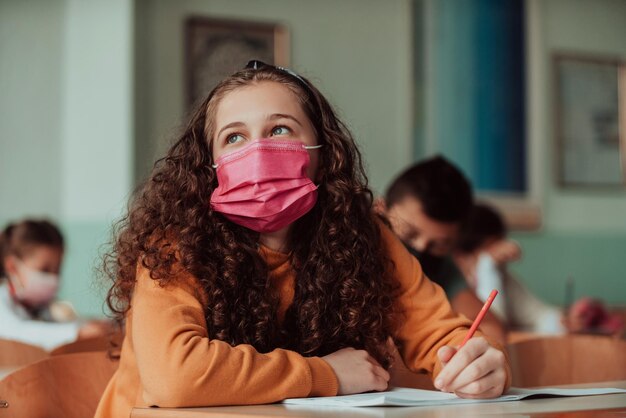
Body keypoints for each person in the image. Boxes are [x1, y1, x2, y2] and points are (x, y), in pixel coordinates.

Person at [95, 61, 510, 417]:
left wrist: (481, 363)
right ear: (210, 166)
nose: (257, 151)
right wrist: (326, 375)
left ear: (324, 153)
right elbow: (175, 378)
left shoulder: (365, 235)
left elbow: (442, 335)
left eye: (279, 129)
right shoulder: (174, 247)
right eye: (234, 137)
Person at [379, 156, 507, 344]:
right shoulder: (350, 251)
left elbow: (489, 326)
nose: (420, 248)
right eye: (408, 233)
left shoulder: (439, 266)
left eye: (438, 244)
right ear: (379, 209)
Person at [453, 203, 567, 335]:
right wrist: (487, 265)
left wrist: (565, 320)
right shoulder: (455, 290)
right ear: (460, 257)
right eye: (490, 249)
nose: (499, 255)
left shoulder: (503, 278)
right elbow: (492, 327)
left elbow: (538, 315)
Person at [0, 219, 110, 350]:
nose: (53, 278)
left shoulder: (43, 308)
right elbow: (16, 334)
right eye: (44, 270)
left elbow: (59, 326)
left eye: (57, 269)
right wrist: (77, 332)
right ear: (12, 267)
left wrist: (91, 326)